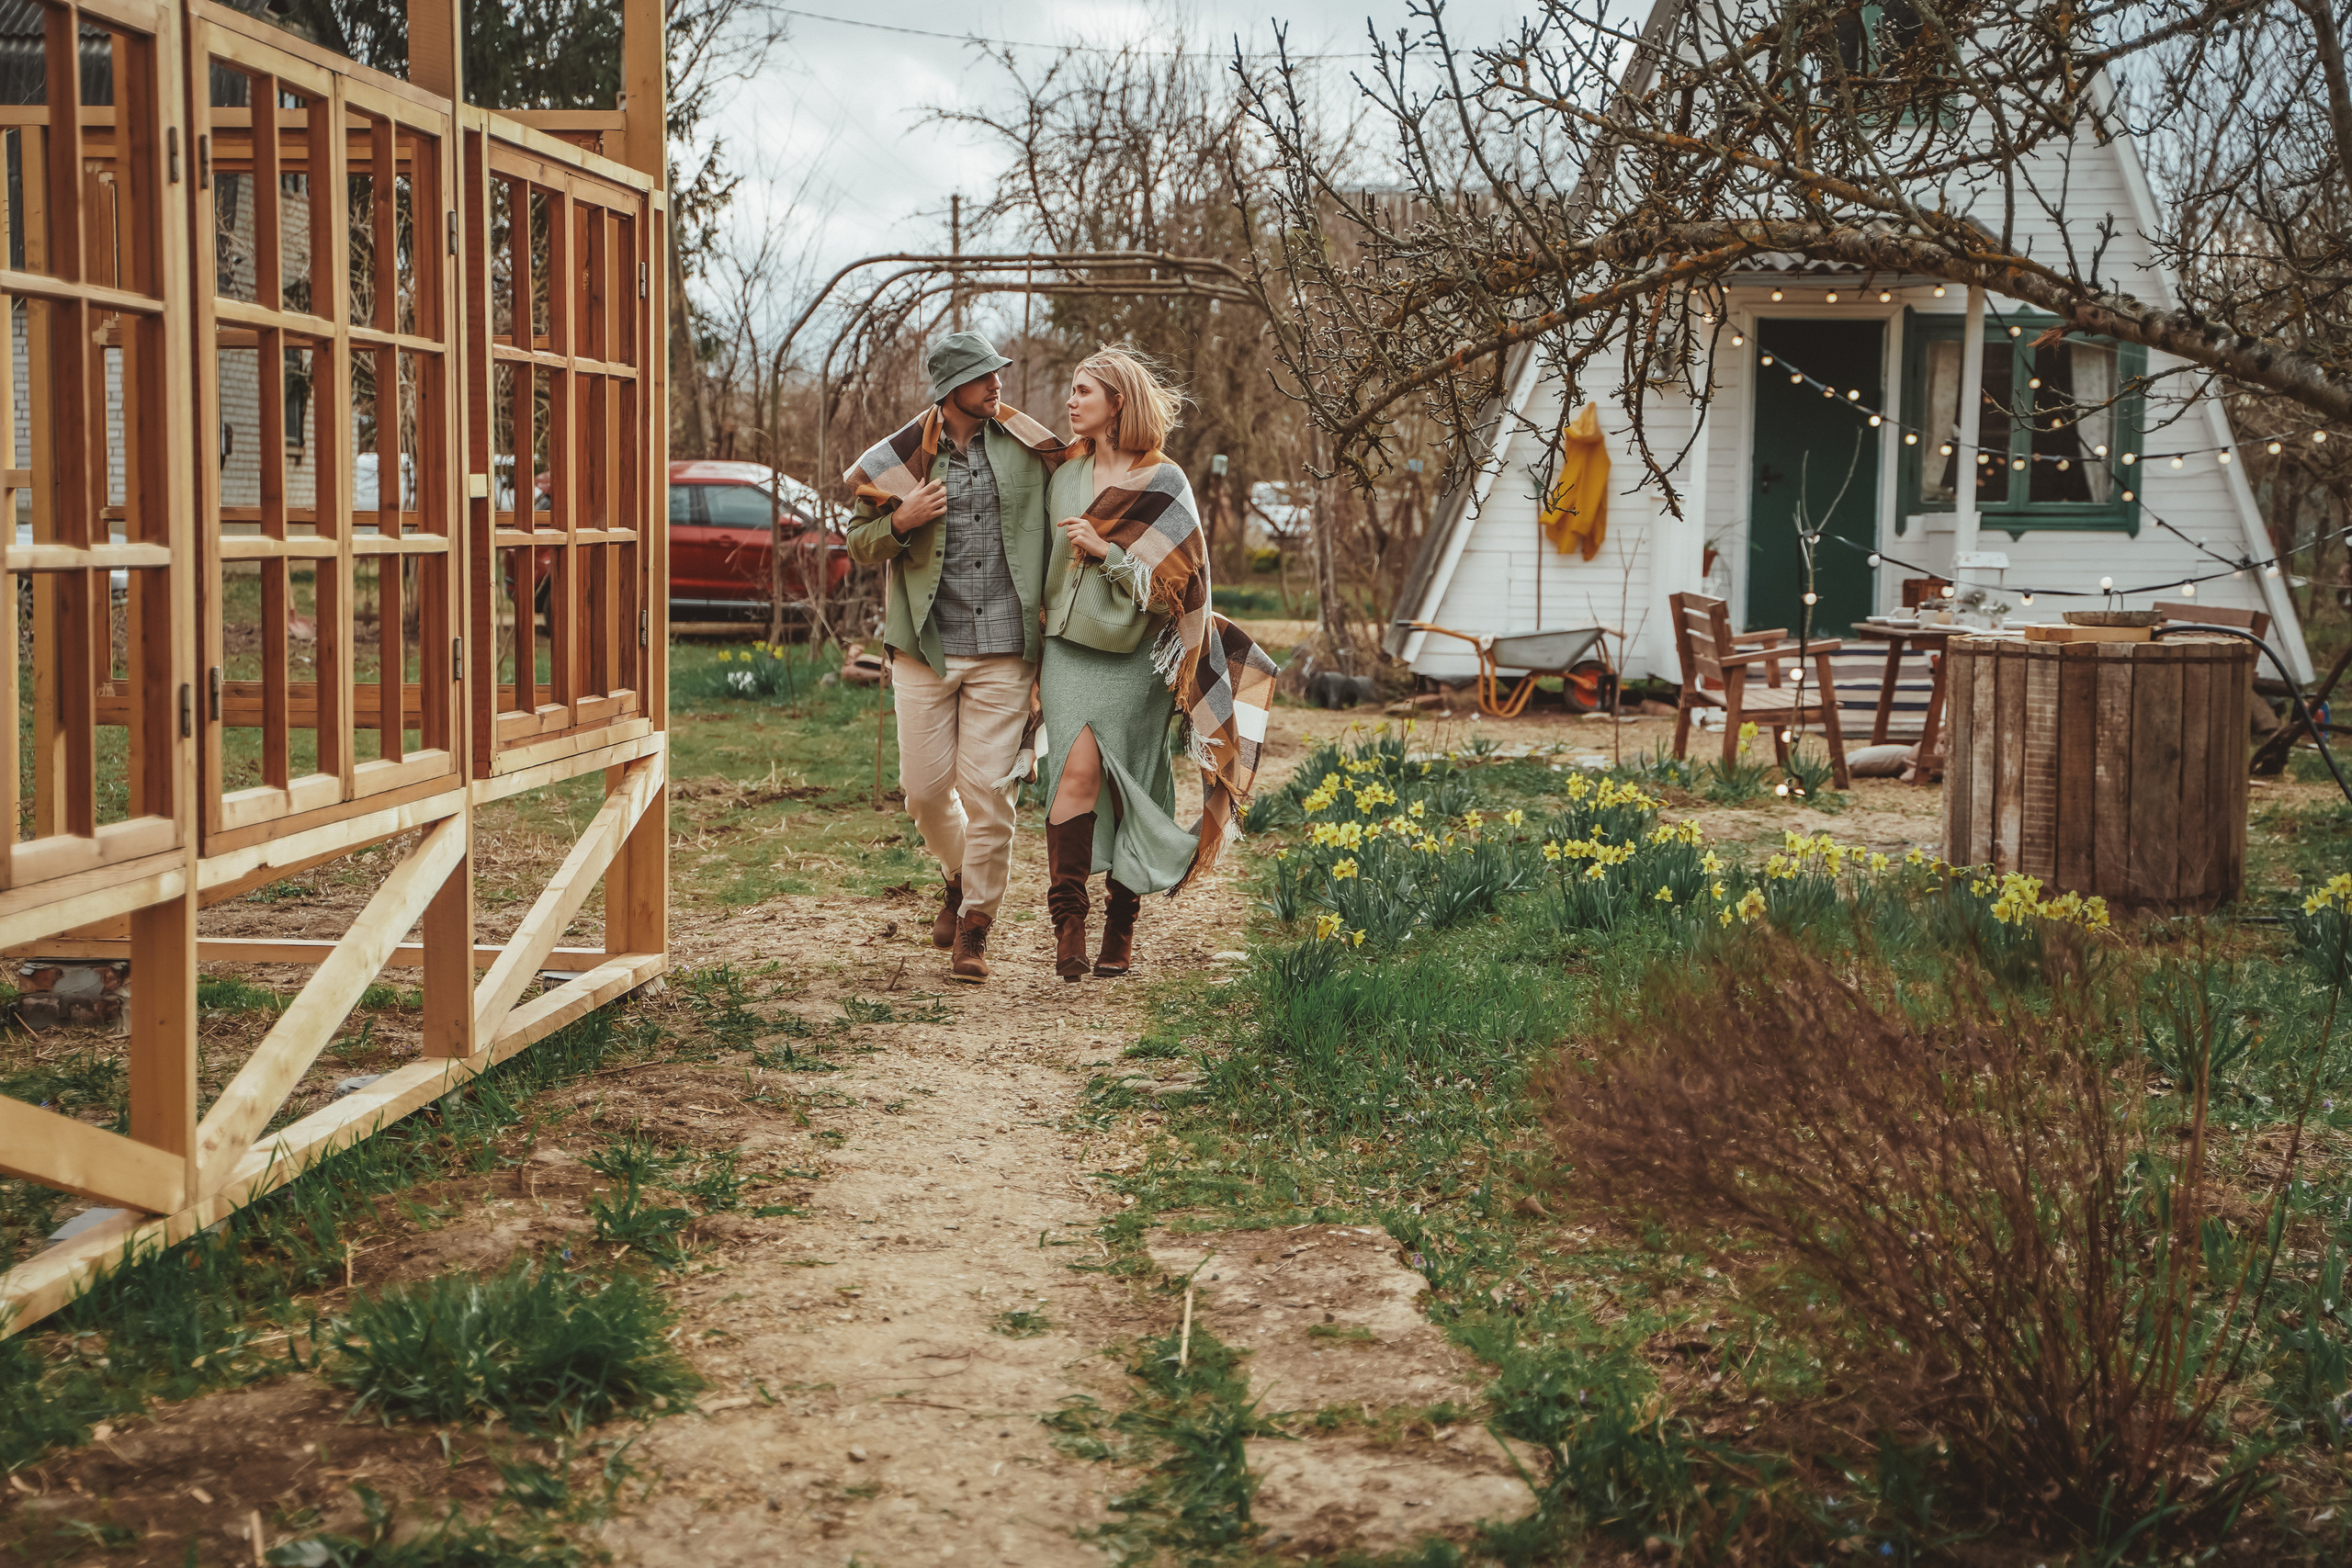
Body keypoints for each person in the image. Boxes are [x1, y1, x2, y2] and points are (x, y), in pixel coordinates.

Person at [1039, 348, 1282, 980]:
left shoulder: (1165, 483)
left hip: (1134, 657)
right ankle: (1067, 921)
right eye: (1071, 388)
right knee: (1074, 774)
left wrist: (1107, 553)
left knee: (1132, 783)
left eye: (1084, 390)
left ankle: (1121, 922)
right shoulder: (1064, 475)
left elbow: (1179, 587)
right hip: (1066, 651)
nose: (1071, 401)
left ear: (1117, 402)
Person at [843, 332, 1065, 983]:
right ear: (948, 390)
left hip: (1005, 649)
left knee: (989, 793)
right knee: (924, 791)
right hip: (925, 649)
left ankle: (975, 925)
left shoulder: (1030, 448)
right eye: (981, 377)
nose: (996, 384)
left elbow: (1074, 495)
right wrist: (902, 520)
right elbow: (858, 542)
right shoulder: (905, 458)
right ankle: (957, 873)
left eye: (998, 372)